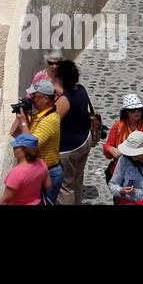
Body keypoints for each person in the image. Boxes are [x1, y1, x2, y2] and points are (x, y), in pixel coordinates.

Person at [102, 93, 143, 204]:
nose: (137, 112)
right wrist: (111, 149)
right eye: (133, 110)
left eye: (139, 109)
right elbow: (107, 146)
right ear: (126, 112)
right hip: (121, 175)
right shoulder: (118, 127)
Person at [10, 78, 62, 202]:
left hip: (49, 173)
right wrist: (21, 115)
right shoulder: (38, 116)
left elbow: (30, 145)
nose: (32, 100)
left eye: (35, 97)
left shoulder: (50, 121)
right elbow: (12, 133)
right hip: (39, 171)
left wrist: (24, 122)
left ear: (46, 98)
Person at [53, 59, 93, 205]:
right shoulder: (81, 90)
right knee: (77, 180)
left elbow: (52, 122)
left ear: (61, 79)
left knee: (66, 187)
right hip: (84, 141)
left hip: (69, 149)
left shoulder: (64, 100)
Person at [0, 133, 51, 205]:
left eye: (16, 147)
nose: (13, 149)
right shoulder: (41, 163)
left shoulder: (16, 172)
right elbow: (48, 185)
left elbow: (5, 199)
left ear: (25, 150)